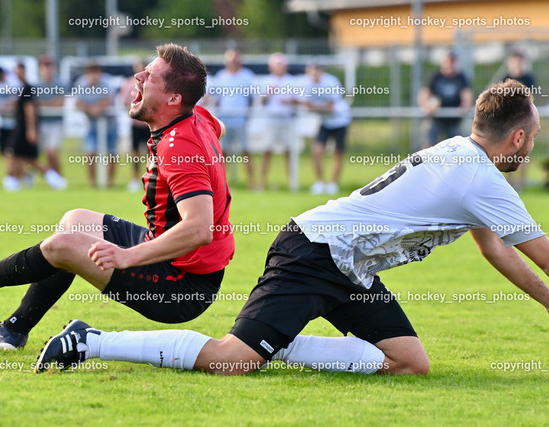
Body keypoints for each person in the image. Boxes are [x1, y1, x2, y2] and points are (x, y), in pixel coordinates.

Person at [35, 80, 549, 377]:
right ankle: (92, 341)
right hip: (315, 252)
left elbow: (496, 250)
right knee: (231, 361)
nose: (532, 149)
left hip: (348, 265)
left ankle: (277, 341)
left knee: (409, 363)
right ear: (518, 138)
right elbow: (541, 255)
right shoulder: (482, 180)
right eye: (534, 138)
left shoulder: (459, 153)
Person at [0, 44, 235, 352]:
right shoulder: (197, 117)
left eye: (149, 76)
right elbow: (216, 129)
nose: (138, 77)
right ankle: (13, 330)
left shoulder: (179, 146)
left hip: (183, 288)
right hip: (177, 261)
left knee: (63, 246)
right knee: (75, 221)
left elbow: (199, 228)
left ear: (174, 98)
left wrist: (127, 257)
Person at [2, 63, 65, 191]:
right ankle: (17, 180)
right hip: (21, 127)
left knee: (19, 156)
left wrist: (31, 129)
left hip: (23, 128)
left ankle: (54, 179)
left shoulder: (28, 88)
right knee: (24, 158)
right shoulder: (21, 88)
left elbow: (30, 109)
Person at [301, 64, 351, 195]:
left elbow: (330, 107)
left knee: (338, 152)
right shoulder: (308, 85)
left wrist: (314, 107)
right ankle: (320, 182)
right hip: (325, 122)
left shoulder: (331, 82)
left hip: (340, 121)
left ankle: (333, 184)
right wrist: (317, 107)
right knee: (316, 151)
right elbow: (307, 105)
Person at [210, 49, 256, 189]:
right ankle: (221, 184)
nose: (233, 62)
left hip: (240, 120)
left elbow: (251, 98)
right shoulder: (221, 76)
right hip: (224, 120)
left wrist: (247, 115)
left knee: (245, 151)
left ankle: (252, 183)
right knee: (222, 153)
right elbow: (216, 99)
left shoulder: (247, 76)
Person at [74, 62, 118, 188]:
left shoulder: (107, 82)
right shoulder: (81, 83)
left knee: (111, 154)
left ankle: (109, 183)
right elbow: (77, 103)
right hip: (91, 125)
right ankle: (92, 183)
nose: (94, 75)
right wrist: (91, 108)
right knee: (90, 153)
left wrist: (97, 107)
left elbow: (109, 99)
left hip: (110, 125)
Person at [419, 51, 472, 147]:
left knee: (455, 146)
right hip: (436, 118)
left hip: (454, 119)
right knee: (429, 143)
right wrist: (427, 106)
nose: (450, 64)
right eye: (448, 61)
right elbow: (425, 93)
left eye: (452, 62)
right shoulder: (435, 76)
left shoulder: (461, 77)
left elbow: (466, 95)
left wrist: (464, 106)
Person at [260, 52, 297, 190]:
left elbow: (298, 100)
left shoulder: (292, 81)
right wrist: (269, 93)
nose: (279, 67)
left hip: (287, 120)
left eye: (281, 64)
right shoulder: (266, 81)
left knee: (289, 152)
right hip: (271, 120)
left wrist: (289, 101)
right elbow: (262, 101)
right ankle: (262, 183)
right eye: (277, 65)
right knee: (266, 151)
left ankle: (292, 184)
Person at [502, 50, 536, 191]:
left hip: (524, 119)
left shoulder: (528, 78)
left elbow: (529, 97)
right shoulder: (505, 78)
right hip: (510, 120)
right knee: (508, 150)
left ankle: (522, 182)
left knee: (523, 150)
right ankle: (509, 182)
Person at [121, 60, 151, 192]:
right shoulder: (129, 83)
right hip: (136, 124)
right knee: (135, 153)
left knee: (151, 153)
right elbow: (125, 102)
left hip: (149, 124)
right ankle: (135, 179)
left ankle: (150, 177)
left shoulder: (151, 83)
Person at [36, 55, 67, 180]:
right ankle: (55, 179)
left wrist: (44, 104)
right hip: (40, 123)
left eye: (49, 66)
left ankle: (58, 178)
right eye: (45, 66)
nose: (47, 70)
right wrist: (50, 103)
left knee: (52, 152)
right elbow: (36, 104)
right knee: (40, 155)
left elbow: (60, 103)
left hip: (56, 123)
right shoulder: (36, 85)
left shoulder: (60, 84)